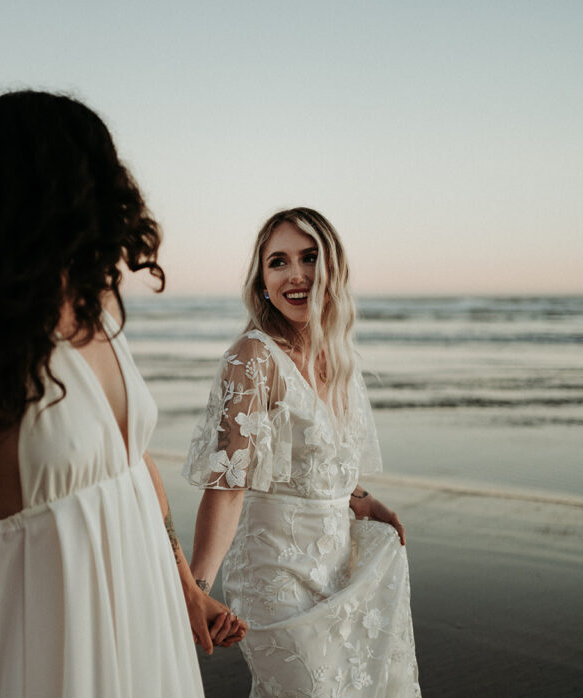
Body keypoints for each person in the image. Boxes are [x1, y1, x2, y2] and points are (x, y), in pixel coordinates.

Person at [0, 90, 244, 698]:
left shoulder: (99, 311)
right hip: (48, 620)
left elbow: (130, 463)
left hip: (143, 612)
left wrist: (185, 588)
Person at [184, 208, 420, 697]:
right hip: (275, 576)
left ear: (333, 268)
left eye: (309, 257)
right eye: (278, 262)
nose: (296, 275)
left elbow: (313, 455)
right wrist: (195, 592)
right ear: (262, 280)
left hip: (339, 567)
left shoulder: (338, 356)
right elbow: (229, 487)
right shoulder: (253, 358)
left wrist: (358, 497)